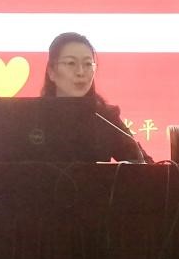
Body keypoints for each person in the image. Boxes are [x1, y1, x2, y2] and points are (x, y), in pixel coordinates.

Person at [42, 32, 152, 164]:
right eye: (71, 63)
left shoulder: (105, 117)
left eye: (88, 64)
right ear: (52, 71)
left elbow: (146, 166)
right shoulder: (33, 117)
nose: (80, 72)